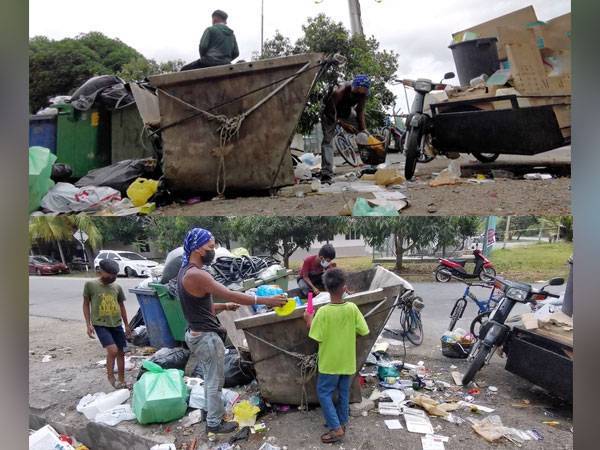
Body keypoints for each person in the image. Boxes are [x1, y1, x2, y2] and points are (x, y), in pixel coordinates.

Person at [177, 228, 287, 435]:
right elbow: (231, 293)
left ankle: (213, 417)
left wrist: (224, 306)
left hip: (195, 332)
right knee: (214, 382)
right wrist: (266, 300)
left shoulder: (185, 271)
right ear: (198, 248)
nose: (213, 250)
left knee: (212, 379)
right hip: (205, 338)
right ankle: (214, 423)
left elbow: (199, 306)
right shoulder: (197, 274)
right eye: (210, 247)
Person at [304, 269, 370, 444]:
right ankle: (342, 422)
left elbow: (315, 335)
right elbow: (363, 331)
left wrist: (308, 319)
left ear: (326, 288)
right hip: (347, 361)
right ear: (344, 287)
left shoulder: (323, 312)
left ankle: (337, 429)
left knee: (324, 393)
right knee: (344, 392)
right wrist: (349, 337)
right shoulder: (352, 308)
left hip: (329, 363)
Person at [83, 259, 131, 389]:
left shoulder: (117, 287)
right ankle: (110, 376)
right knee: (113, 350)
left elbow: (121, 306)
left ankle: (122, 380)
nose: (112, 277)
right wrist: (88, 324)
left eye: (115, 275)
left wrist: (126, 325)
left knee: (121, 352)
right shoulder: (90, 285)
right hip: (100, 324)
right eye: (109, 274)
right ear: (100, 271)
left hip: (116, 323)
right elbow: (86, 304)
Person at [320, 75, 371, 184]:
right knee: (328, 140)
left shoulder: (364, 94)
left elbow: (360, 110)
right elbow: (330, 112)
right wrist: (342, 124)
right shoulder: (339, 92)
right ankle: (326, 174)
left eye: (361, 94)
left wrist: (363, 129)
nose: (359, 96)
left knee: (363, 134)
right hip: (329, 111)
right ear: (353, 86)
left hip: (346, 110)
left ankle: (369, 164)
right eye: (357, 93)